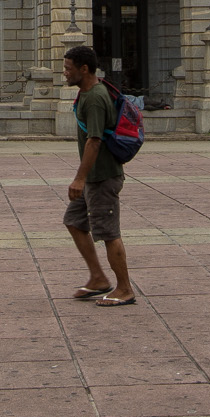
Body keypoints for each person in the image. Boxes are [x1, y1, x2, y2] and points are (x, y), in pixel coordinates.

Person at [61, 43, 133, 306]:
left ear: (84, 69)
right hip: (94, 177)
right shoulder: (90, 92)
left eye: (68, 69)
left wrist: (79, 178)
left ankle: (125, 289)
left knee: (108, 233)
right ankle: (98, 278)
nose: (65, 74)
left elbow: (94, 141)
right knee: (74, 220)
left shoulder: (94, 98)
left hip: (102, 177)